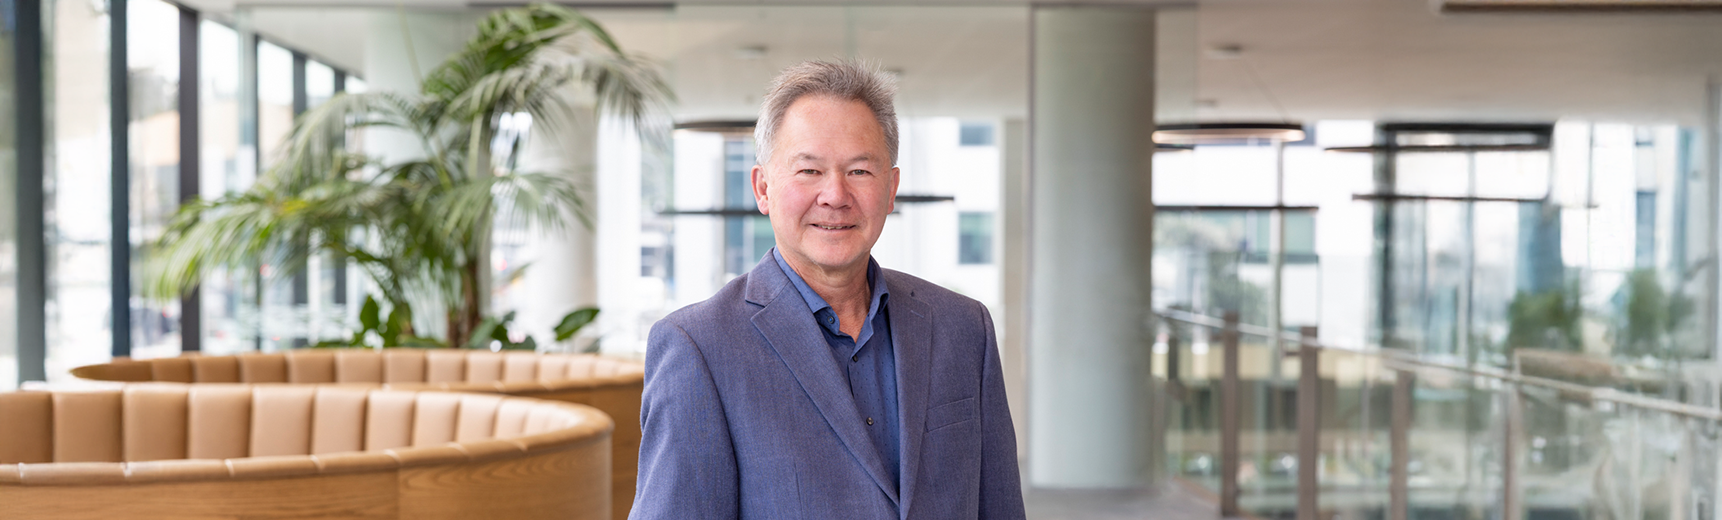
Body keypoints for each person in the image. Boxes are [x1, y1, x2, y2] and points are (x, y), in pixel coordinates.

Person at [630, 59, 1026, 519]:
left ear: (891, 188)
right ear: (762, 188)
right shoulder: (698, 347)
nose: (835, 195)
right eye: (809, 171)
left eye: (859, 171)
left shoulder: (964, 327)